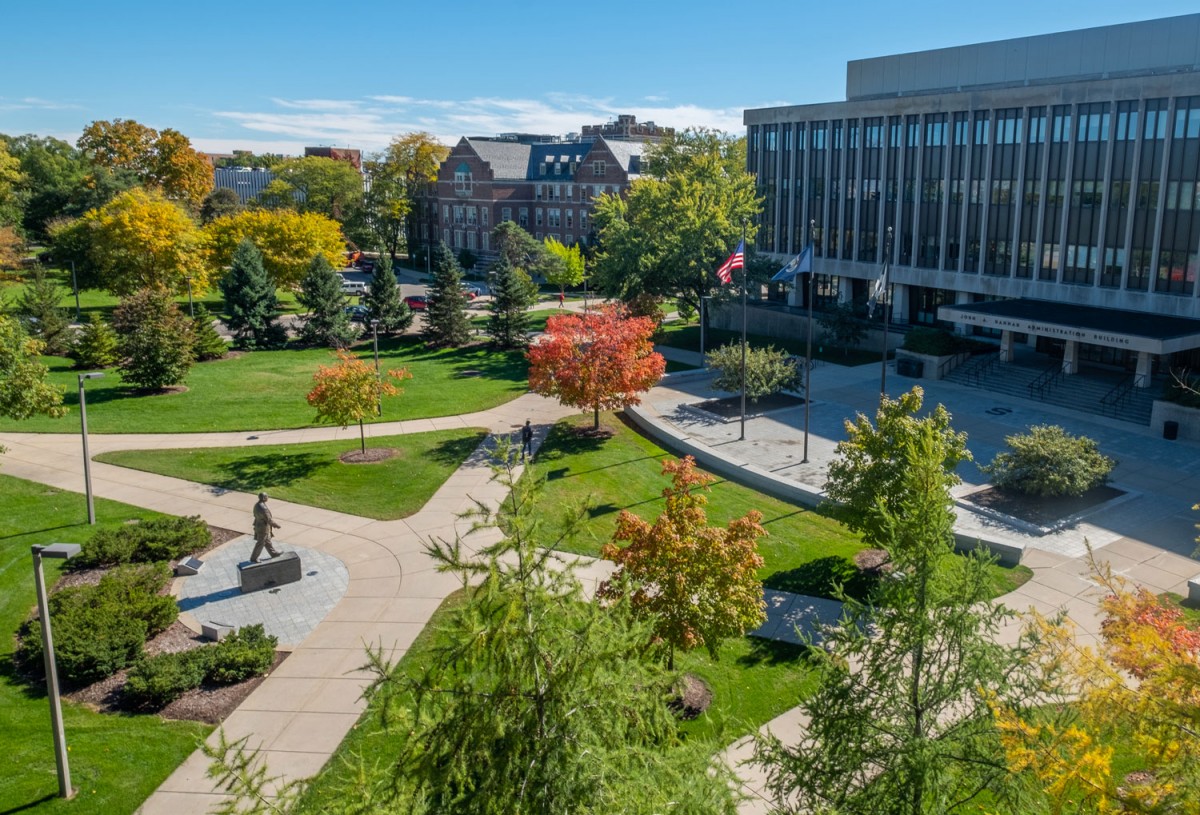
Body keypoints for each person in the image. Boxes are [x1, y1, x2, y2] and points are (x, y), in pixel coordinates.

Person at [250, 492, 283, 563]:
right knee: (260, 543)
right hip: (263, 528)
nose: (268, 497)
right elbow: (269, 520)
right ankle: (254, 558)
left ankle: (273, 553)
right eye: (267, 496)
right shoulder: (263, 508)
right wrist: (276, 525)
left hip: (258, 525)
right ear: (264, 498)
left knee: (267, 541)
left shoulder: (257, 505)